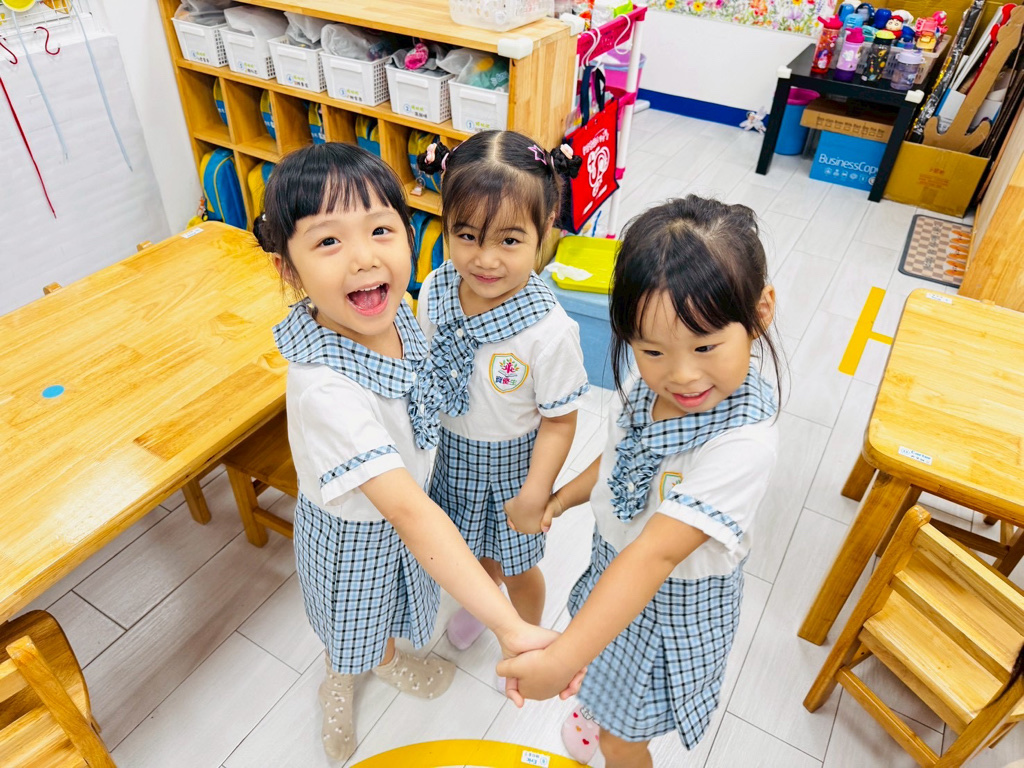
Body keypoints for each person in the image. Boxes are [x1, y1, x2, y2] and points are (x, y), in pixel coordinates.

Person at [254, 142, 569, 762]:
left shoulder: (398, 311)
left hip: (407, 519)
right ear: (287, 267)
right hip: (353, 536)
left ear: (409, 233)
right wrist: (510, 626)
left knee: (395, 610)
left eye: (380, 230)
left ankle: (386, 658)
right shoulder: (324, 389)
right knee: (353, 625)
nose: (364, 258)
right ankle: (339, 680)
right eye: (328, 241)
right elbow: (408, 512)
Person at [498, 196, 784, 767]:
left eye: (705, 346)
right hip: (615, 569)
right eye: (652, 349)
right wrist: (562, 498)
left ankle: (614, 734)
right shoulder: (645, 386)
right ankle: (602, 705)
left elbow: (655, 556)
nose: (682, 374)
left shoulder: (743, 444)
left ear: (760, 313)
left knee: (621, 741)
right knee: (604, 678)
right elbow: (620, 456)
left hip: (667, 606)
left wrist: (559, 661)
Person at [414, 131, 589, 663]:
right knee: (468, 552)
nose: (486, 260)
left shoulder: (548, 331)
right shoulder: (437, 288)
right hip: (451, 456)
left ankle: (526, 637)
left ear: (546, 228)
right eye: (467, 235)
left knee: (519, 567)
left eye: (510, 241)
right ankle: (484, 601)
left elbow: (560, 421)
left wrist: (536, 492)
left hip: (515, 469)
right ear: (445, 222)